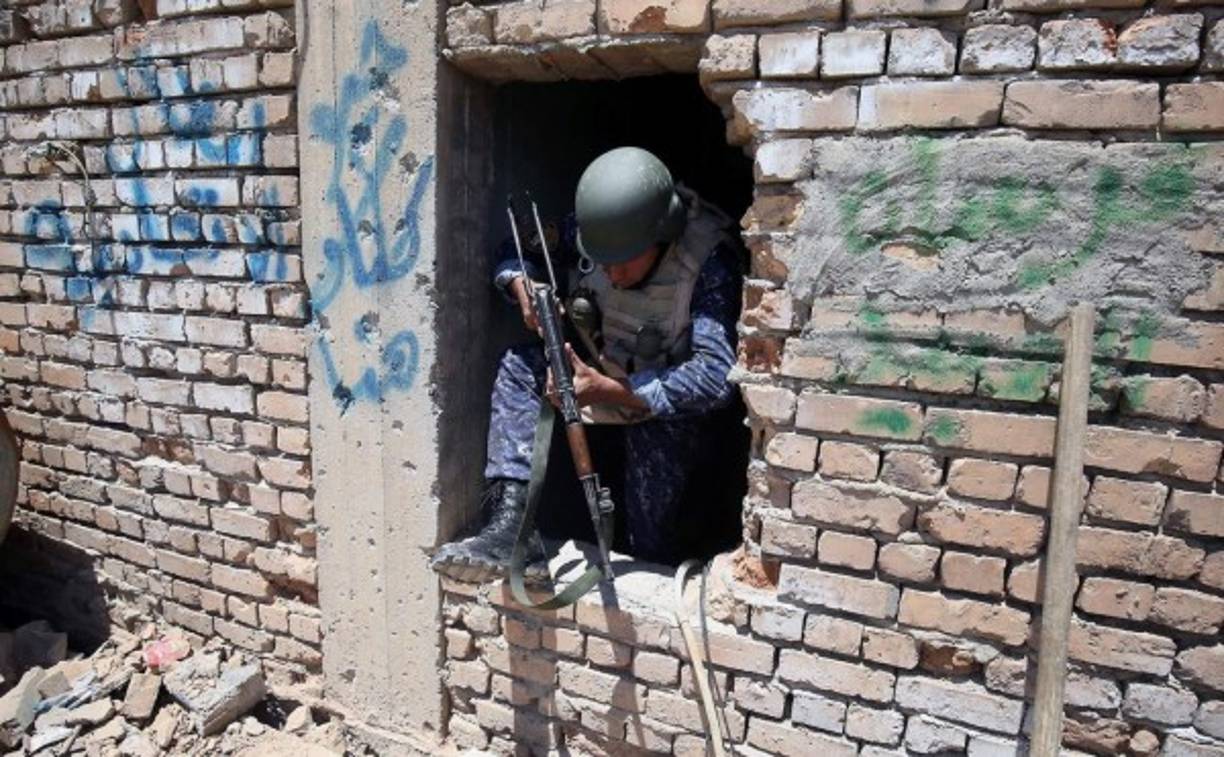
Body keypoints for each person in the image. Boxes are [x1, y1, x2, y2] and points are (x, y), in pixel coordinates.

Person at [430, 146, 744, 582]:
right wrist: (522, 284)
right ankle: (512, 528)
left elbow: (716, 377)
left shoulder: (709, 259)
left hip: (661, 406)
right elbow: (513, 251)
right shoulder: (595, 230)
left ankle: (654, 568)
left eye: (624, 262)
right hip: (596, 370)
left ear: (661, 235)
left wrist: (612, 391)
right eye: (604, 261)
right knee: (521, 366)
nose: (610, 273)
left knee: (651, 540)